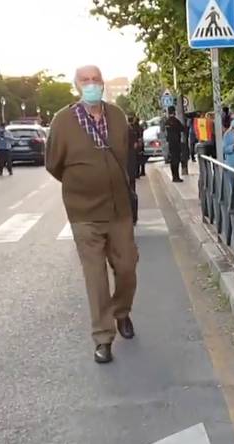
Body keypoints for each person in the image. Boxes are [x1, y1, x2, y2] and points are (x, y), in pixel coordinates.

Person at [45, 64, 138, 365]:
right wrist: (81, 184)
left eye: (95, 79)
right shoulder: (62, 121)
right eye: (85, 80)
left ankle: (122, 311)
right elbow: (53, 164)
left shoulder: (117, 116)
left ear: (103, 83)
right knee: (95, 276)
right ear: (77, 86)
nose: (91, 84)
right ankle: (103, 337)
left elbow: (124, 154)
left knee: (127, 268)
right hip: (84, 212)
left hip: (119, 209)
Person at [164, 106, 184, 183]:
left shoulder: (167, 122)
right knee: (177, 160)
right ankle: (177, 177)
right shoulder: (176, 121)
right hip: (176, 143)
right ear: (174, 112)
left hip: (170, 143)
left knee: (172, 160)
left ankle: (173, 176)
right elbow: (182, 129)